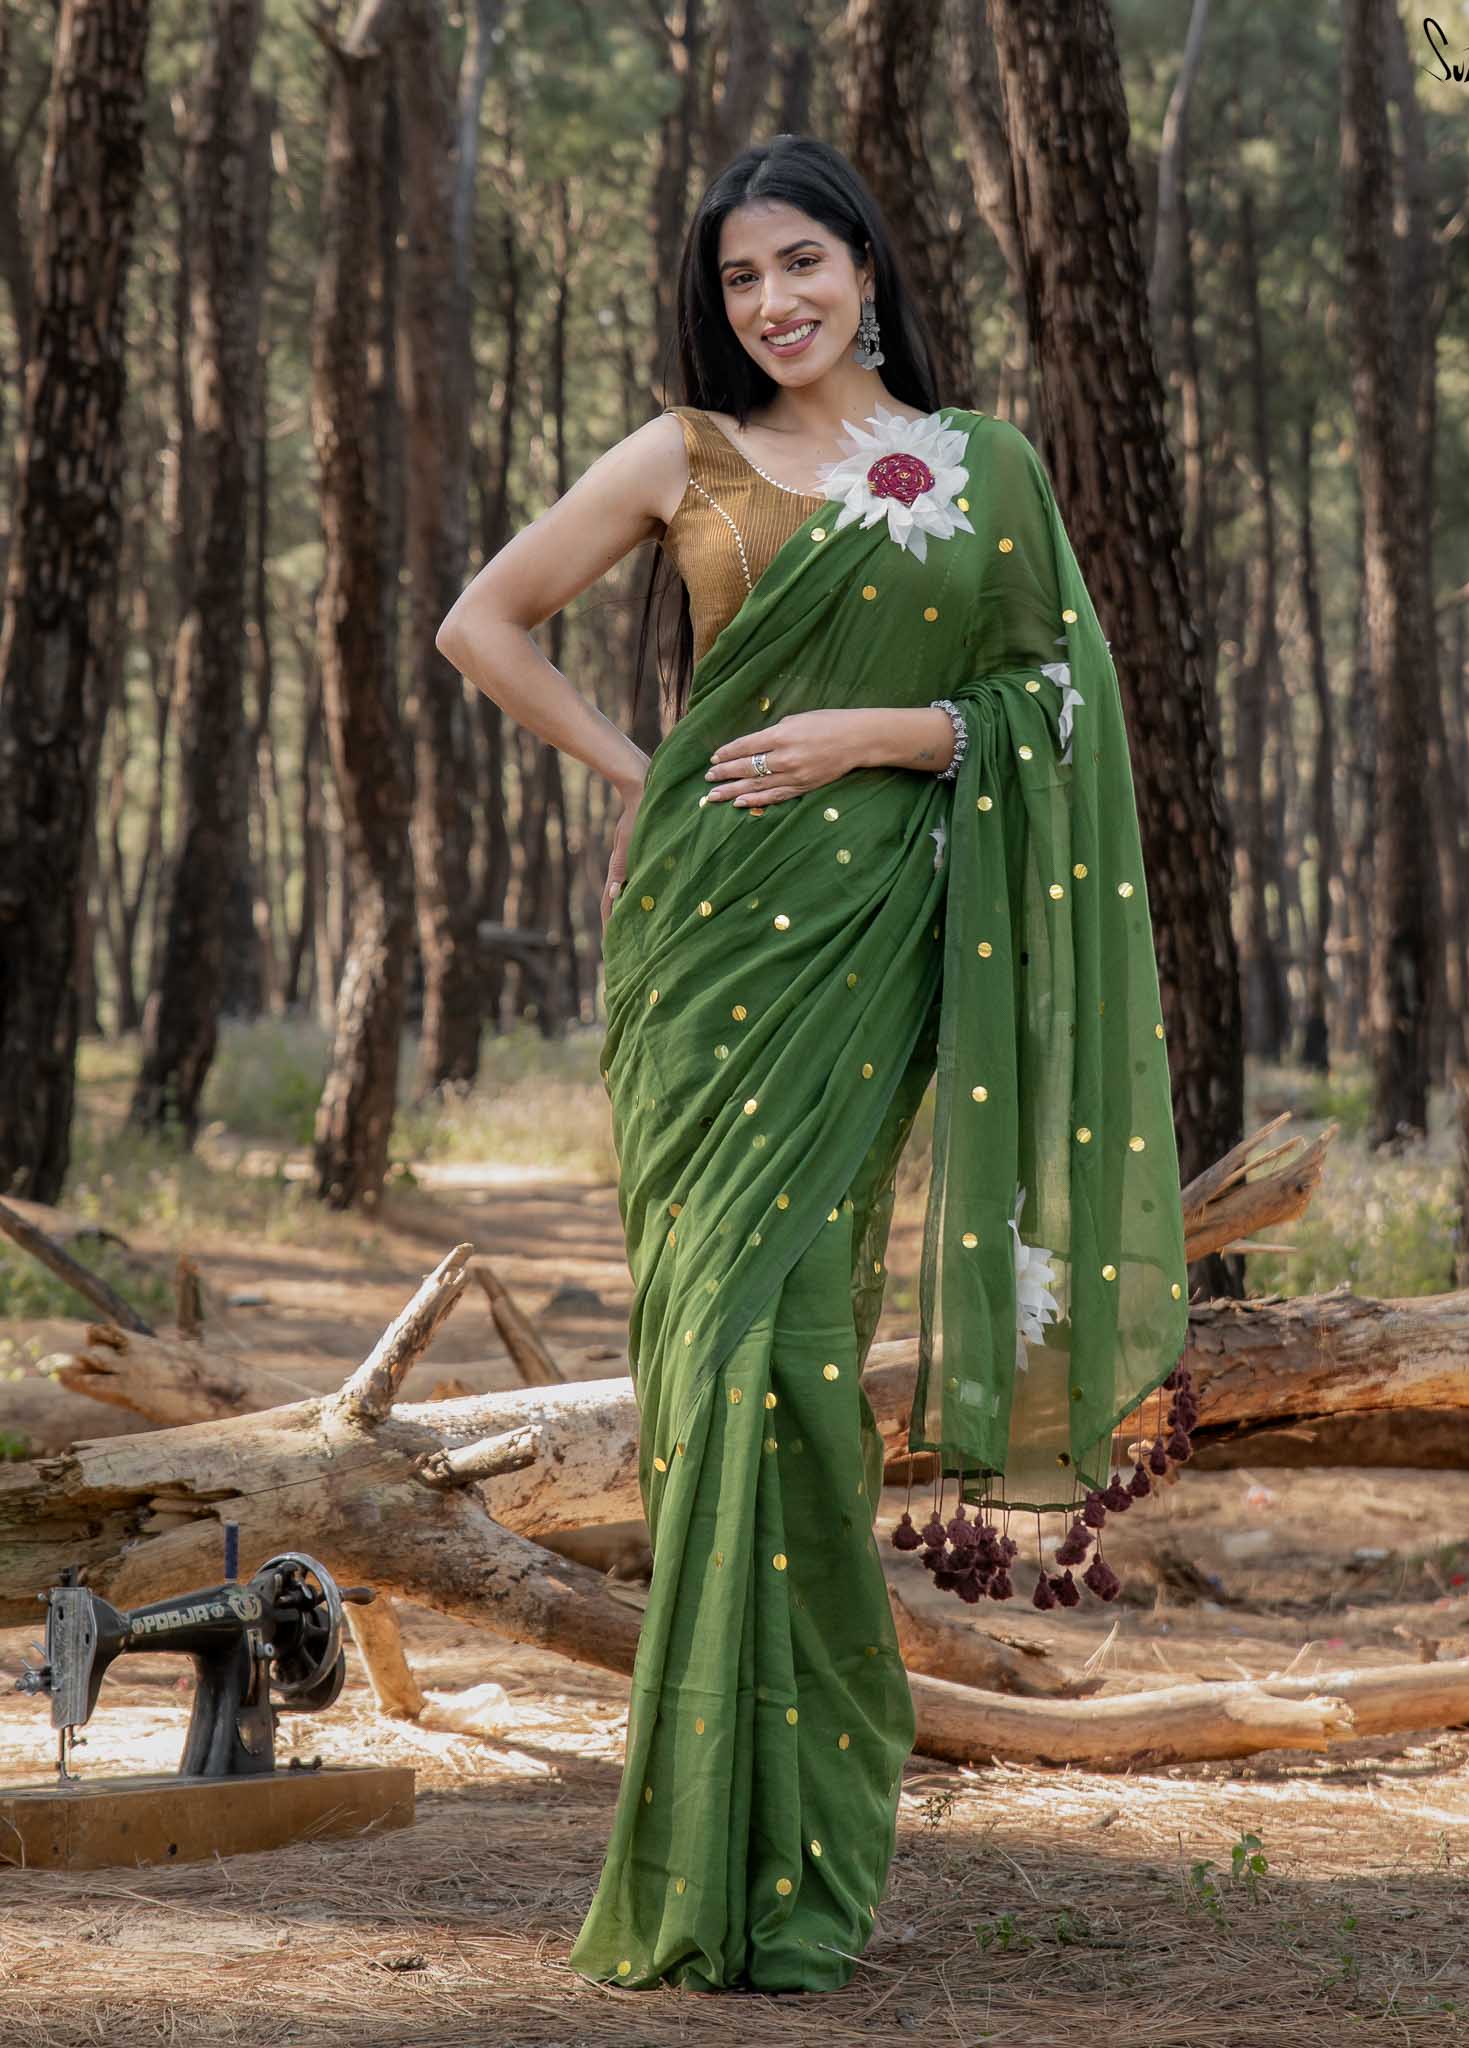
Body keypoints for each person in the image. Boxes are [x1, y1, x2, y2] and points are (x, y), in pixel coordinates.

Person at [436, 133, 1193, 1998]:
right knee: (709, 1356)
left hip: (871, 952)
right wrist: (646, 775)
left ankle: (796, 1835)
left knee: (791, 1355)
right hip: (705, 953)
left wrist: (884, 729)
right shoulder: (683, 455)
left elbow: (1065, 702)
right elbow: (480, 622)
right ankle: (708, 1836)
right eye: (740, 278)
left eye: (801, 263)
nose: (772, 302)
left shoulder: (984, 467)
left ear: (865, 267)